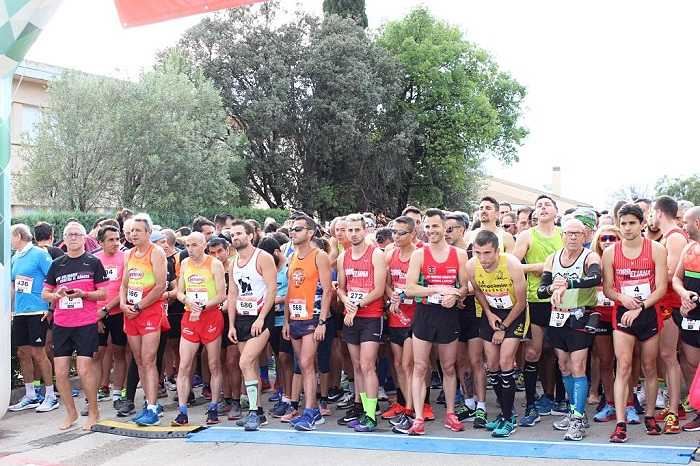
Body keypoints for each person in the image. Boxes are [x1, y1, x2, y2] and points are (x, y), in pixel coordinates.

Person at [602, 203, 668, 442]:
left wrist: (640, 306)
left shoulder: (656, 249)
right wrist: (623, 298)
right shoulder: (611, 253)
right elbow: (608, 289)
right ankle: (621, 423)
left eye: (632, 223)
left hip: (648, 312)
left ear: (641, 224)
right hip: (623, 314)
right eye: (623, 224)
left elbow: (661, 287)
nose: (628, 228)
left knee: (650, 367)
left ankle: (650, 416)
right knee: (624, 367)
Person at [406, 209, 469, 435]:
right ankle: (418, 417)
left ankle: (450, 414)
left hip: (448, 315)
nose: (431, 230)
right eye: (428, 226)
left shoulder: (459, 254)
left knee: (449, 366)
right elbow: (410, 288)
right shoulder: (419, 254)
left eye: (435, 226)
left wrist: (456, 295)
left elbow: (465, 286)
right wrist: (439, 289)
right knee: (421, 367)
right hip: (425, 314)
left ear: (445, 228)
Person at [538, 218, 601, 441]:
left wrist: (569, 284)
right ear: (562, 235)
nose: (573, 237)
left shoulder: (589, 256)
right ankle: (577, 411)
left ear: (584, 236)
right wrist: (552, 287)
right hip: (558, 317)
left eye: (578, 233)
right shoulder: (552, 258)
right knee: (564, 366)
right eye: (569, 233)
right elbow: (540, 291)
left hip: (580, 316)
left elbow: (596, 278)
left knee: (578, 366)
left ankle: (576, 419)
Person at [42, 221, 107, 430]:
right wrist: (55, 295)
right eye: (69, 235)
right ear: (64, 238)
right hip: (62, 323)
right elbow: (45, 293)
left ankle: (94, 412)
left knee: (84, 370)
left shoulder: (93, 262)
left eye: (77, 234)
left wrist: (84, 294)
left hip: (85, 323)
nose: (73, 238)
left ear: (83, 237)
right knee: (59, 372)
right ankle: (71, 413)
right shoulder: (57, 264)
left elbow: (104, 293)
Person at [468, 230, 528, 437]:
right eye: (478, 253)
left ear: (497, 251)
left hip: (514, 313)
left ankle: (510, 417)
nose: (483, 259)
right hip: (491, 312)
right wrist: (488, 312)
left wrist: (503, 328)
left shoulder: (511, 264)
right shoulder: (471, 266)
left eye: (487, 253)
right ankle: (503, 413)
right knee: (491, 365)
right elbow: (477, 292)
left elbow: (521, 302)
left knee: (505, 361)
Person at [513, 194, 564, 426]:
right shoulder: (527, 235)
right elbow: (512, 265)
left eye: (547, 205)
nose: (542, 208)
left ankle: (559, 399)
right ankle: (532, 403)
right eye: (539, 206)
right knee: (533, 352)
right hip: (535, 300)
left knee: (560, 351)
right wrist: (541, 267)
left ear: (556, 211)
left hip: (562, 300)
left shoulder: (564, 235)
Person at [336, 213, 387, 432]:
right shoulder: (343, 257)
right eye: (350, 230)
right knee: (357, 366)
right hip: (351, 317)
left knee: (367, 365)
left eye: (358, 230)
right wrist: (346, 301)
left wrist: (356, 305)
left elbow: (379, 289)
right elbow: (340, 287)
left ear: (365, 230)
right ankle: (363, 408)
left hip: (371, 317)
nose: (354, 234)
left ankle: (371, 414)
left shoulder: (375, 254)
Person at [171, 232, 227, 426]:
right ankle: (182, 410)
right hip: (190, 317)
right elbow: (179, 291)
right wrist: (186, 299)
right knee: (184, 365)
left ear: (204, 245)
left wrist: (203, 306)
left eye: (194, 245)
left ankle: (213, 408)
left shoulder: (215, 264)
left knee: (213, 364)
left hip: (210, 316)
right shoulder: (185, 263)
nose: (190, 249)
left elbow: (222, 295)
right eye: (187, 245)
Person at [283, 215, 333, 431]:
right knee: (302, 365)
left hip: (312, 317)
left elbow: (328, 291)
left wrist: (322, 321)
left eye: (297, 229)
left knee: (306, 363)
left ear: (310, 232)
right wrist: (286, 320)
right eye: (291, 229)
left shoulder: (319, 256)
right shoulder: (292, 256)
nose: (292, 232)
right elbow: (290, 291)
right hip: (295, 318)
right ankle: (308, 409)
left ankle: (311, 411)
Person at [227, 220, 277, 431]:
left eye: (239, 233)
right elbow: (232, 293)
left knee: (245, 362)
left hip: (261, 316)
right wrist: (230, 324)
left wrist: (261, 317)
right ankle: (258, 412)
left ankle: (254, 412)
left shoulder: (263, 258)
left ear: (250, 236)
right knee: (250, 365)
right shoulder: (232, 262)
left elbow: (272, 289)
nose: (235, 237)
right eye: (232, 234)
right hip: (241, 317)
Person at [120, 213, 168, 426]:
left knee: (149, 359)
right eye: (130, 231)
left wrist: (139, 306)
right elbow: (124, 284)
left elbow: (160, 286)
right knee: (138, 359)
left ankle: (152, 408)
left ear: (148, 232)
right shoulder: (128, 254)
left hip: (148, 311)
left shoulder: (156, 252)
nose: (133, 234)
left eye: (138, 230)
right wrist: (123, 304)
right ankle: (150, 402)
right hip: (130, 311)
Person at [9, 224, 57, 414]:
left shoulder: (38, 253)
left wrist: (51, 307)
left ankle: (50, 395)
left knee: (39, 353)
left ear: (19, 235)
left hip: (38, 310)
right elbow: (13, 284)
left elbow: (53, 277)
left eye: (11, 237)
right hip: (20, 312)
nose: (9, 241)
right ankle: (30, 395)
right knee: (22, 352)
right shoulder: (14, 257)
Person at [652, 196, 689, 433]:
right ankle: (672, 405)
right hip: (662, 303)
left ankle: (674, 412)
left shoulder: (674, 237)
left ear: (658, 212)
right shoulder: (666, 237)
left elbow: (670, 275)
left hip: (671, 305)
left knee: (669, 356)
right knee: (666, 356)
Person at [383, 216, 418, 434]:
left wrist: (406, 296)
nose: (396, 236)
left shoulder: (419, 255)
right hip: (395, 316)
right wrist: (393, 299)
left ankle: (413, 410)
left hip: (415, 317)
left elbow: (422, 286)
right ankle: (407, 407)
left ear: (413, 234)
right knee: (398, 364)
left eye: (401, 233)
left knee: (409, 365)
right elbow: (387, 284)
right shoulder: (389, 254)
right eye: (394, 232)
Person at [590, 226, 623, 423]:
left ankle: (628, 402)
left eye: (613, 238)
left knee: (627, 362)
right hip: (601, 317)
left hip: (622, 315)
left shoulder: (626, 259)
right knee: (605, 361)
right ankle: (610, 402)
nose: (608, 241)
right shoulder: (592, 261)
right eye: (604, 238)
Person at [672, 206, 700, 431]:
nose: (683, 227)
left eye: (686, 223)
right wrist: (684, 296)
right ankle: (699, 410)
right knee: (690, 362)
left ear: (697, 223)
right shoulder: (689, 248)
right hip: (691, 315)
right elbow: (677, 279)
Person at [94, 225, 128, 409]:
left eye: (118, 239)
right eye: (111, 240)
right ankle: (96, 392)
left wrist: (106, 309)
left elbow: (124, 288)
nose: (116, 243)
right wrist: (98, 316)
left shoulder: (125, 257)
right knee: (96, 354)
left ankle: (117, 394)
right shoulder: (94, 259)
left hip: (117, 312)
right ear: (101, 242)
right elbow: (90, 288)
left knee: (119, 352)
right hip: (97, 314)